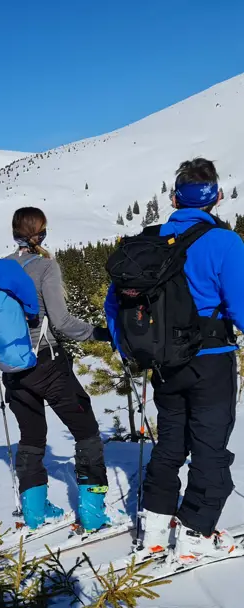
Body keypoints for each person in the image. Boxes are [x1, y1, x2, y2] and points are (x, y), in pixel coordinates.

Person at [106, 158, 244, 563]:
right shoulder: (225, 242)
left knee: (169, 444)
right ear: (217, 197)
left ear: (173, 197)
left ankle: (152, 527)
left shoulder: (148, 241)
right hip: (212, 360)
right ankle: (195, 534)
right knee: (209, 447)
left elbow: (113, 305)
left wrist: (128, 348)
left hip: (165, 364)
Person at [2, 207, 112, 533]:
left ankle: (36, 513)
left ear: (14, 233)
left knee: (32, 436)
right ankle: (93, 512)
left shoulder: (0, 269)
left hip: (13, 369)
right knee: (86, 430)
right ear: (42, 233)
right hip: (47, 364)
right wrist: (101, 334)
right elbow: (62, 322)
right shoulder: (44, 267)